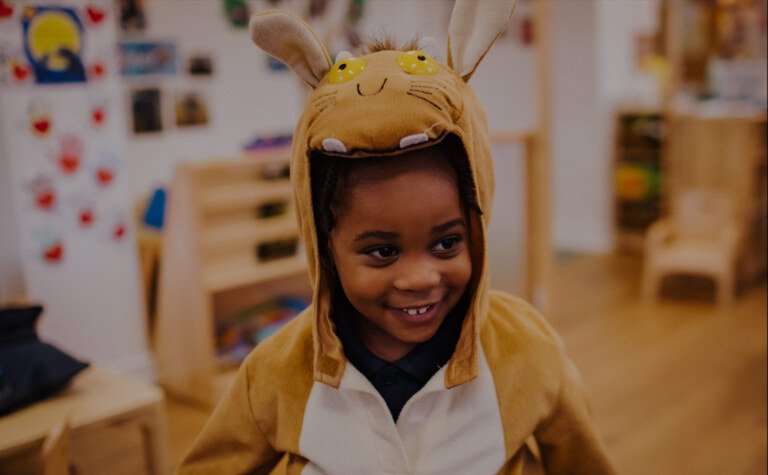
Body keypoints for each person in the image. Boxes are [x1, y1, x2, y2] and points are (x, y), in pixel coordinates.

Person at [178, 1, 616, 473]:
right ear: (327, 245)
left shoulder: (527, 351)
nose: (420, 278)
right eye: (383, 252)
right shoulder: (277, 373)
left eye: (446, 243)